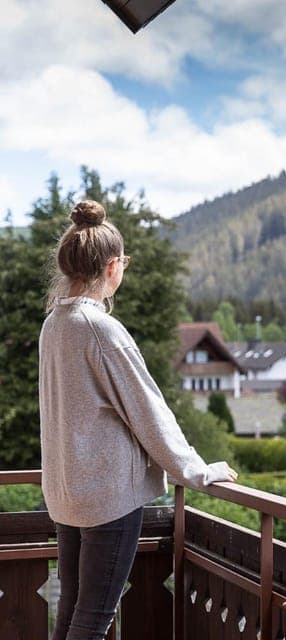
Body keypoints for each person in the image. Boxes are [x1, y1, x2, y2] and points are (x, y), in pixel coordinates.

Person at [39, 199, 239, 640]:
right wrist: (199, 471)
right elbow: (151, 415)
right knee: (93, 619)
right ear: (113, 267)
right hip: (107, 495)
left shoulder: (54, 323)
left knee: (71, 608)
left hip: (68, 493)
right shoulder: (101, 329)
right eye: (123, 263)